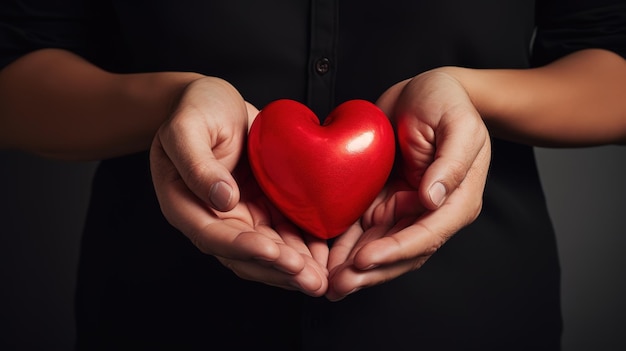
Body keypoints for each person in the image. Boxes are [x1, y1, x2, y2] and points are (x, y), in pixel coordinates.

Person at [1, 0, 625, 349]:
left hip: (473, 320)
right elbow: (15, 67)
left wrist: (468, 94)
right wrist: (171, 103)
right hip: (162, 316)